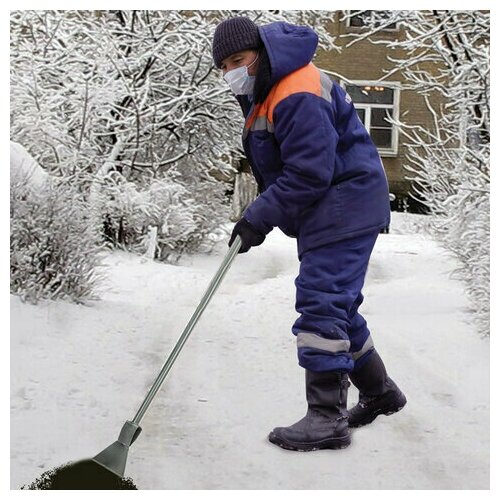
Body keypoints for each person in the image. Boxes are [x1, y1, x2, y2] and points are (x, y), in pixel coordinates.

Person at [212, 16, 406, 452]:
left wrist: (256, 218)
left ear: (260, 53)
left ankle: (325, 419)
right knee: (339, 305)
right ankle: (379, 392)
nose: (231, 73)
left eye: (237, 60)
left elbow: (309, 173)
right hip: (333, 207)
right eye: (223, 66)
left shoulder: (295, 89)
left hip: (345, 203)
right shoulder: (269, 90)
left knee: (321, 301)